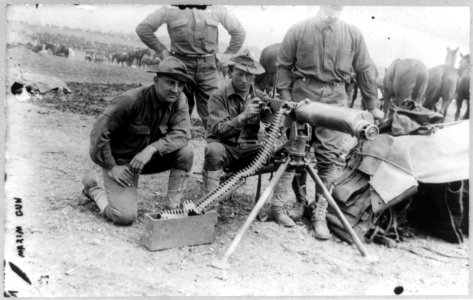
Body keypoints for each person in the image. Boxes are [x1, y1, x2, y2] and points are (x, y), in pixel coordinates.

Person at [276, 5, 385, 239]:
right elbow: (283, 66)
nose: (332, 10)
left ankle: (319, 214)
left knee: (330, 156)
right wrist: (286, 101)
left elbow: (365, 68)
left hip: (336, 98)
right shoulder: (298, 29)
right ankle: (300, 202)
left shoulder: (353, 33)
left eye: (337, 6)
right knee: (297, 151)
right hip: (302, 95)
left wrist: (372, 105)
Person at [81, 57, 194, 226]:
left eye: (180, 85)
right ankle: (93, 189)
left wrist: (151, 149)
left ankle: (172, 208)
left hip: (145, 159)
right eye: (170, 83)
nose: (176, 89)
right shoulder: (131, 100)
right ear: (156, 80)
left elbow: (182, 133)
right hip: (121, 164)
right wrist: (111, 167)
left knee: (186, 153)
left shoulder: (180, 100)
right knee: (124, 216)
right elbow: (99, 133)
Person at [203, 49, 299, 227]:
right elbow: (218, 131)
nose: (244, 80)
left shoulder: (260, 97)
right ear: (231, 72)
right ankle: (210, 208)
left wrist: (289, 110)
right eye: (240, 74)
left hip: (249, 151)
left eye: (249, 76)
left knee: (288, 153)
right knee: (213, 150)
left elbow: (278, 116)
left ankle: (277, 208)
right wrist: (242, 117)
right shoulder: (218, 97)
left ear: (254, 78)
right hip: (226, 149)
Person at [136, 5, 246, 131]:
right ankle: (177, 147)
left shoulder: (216, 8)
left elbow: (239, 32)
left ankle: (215, 149)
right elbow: (143, 29)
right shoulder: (170, 8)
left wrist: (226, 56)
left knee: (215, 114)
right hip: (180, 68)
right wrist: (163, 52)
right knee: (177, 113)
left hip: (209, 68)